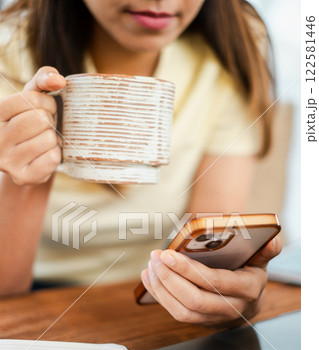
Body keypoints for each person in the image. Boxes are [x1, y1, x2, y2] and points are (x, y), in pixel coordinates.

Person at [0, 0, 281, 326]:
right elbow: (7, 296)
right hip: (30, 300)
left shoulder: (229, 48)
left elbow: (210, 248)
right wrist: (28, 173)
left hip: (153, 296)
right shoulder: (9, 51)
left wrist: (229, 297)